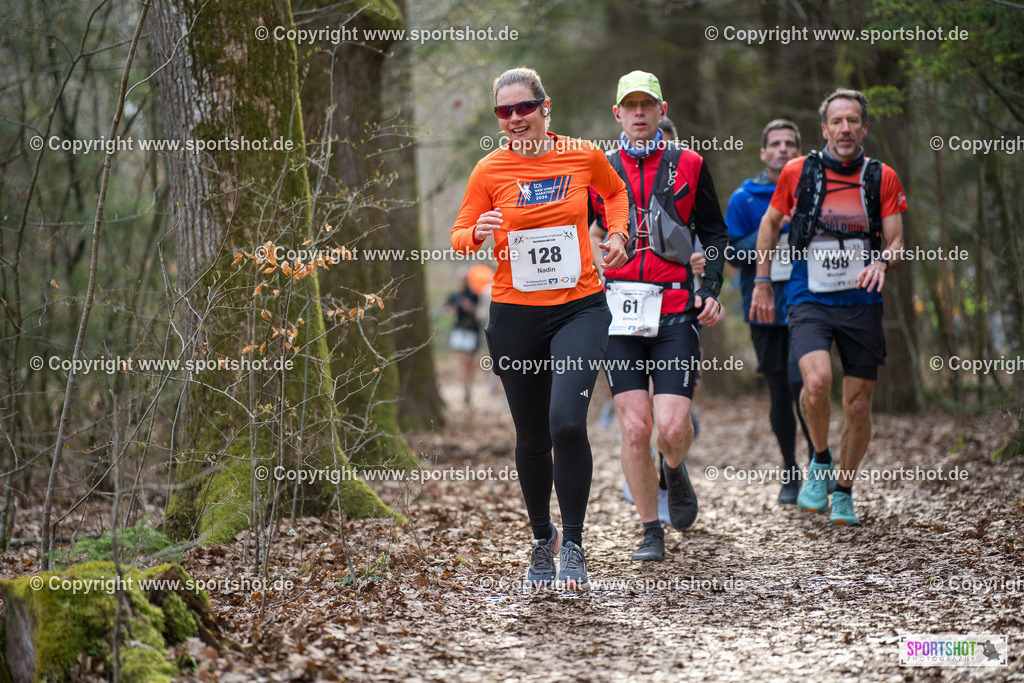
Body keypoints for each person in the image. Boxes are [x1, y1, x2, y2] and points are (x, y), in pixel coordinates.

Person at [451, 67, 629, 589]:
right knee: (531, 436)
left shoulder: (583, 156)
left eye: (523, 108)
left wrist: (618, 234)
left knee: (566, 423)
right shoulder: (489, 170)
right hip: (516, 313)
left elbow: (615, 196)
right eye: (504, 112)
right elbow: (461, 236)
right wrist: (476, 232)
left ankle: (573, 541)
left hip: (580, 305)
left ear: (544, 107)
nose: (514, 119)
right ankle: (540, 538)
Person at [751, 88, 907, 525]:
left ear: (864, 128)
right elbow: (769, 223)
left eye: (853, 121)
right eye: (837, 121)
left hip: (862, 301)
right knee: (815, 383)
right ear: (824, 129)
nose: (844, 128)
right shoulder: (798, 172)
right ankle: (820, 457)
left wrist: (882, 259)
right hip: (809, 295)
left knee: (858, 406)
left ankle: (844, 490)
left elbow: (896, 242)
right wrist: (763, 281)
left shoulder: (882, 177)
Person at [591, 71, 728, 562]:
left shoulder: (688, 163)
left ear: (661, 109)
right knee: (635, 428)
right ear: (618, 114)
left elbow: (714, 232)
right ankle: (651, 528)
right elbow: (574, 229)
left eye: (647, 104)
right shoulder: (599, 167)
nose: (640, 113)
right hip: (619, 314)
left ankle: (674, 467)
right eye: (630, 106)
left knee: (671, 429)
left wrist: (709, 288)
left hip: (673, 309)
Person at [726, 119, 815, 504]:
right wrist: (775, 228)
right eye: (775, 144)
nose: (783, 149)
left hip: (809, 301)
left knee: (805, 384)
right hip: (761, 305)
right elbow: (730, 253)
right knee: (780, 391)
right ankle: (789, 471)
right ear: (764, 153)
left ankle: (819, 462)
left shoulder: (815, 190)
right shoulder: (743, 199)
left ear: (799, 151)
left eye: (790, 144)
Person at [446, 273, 482, 404]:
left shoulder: (474, 295)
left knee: (469, 361)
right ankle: (464, 387)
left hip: (471, 331)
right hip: (459, 330)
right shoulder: (454, 296)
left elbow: (479, 313)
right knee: (462, 360)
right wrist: (453, 309)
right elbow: (448, 311)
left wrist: (469, 306)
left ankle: (469, 385)